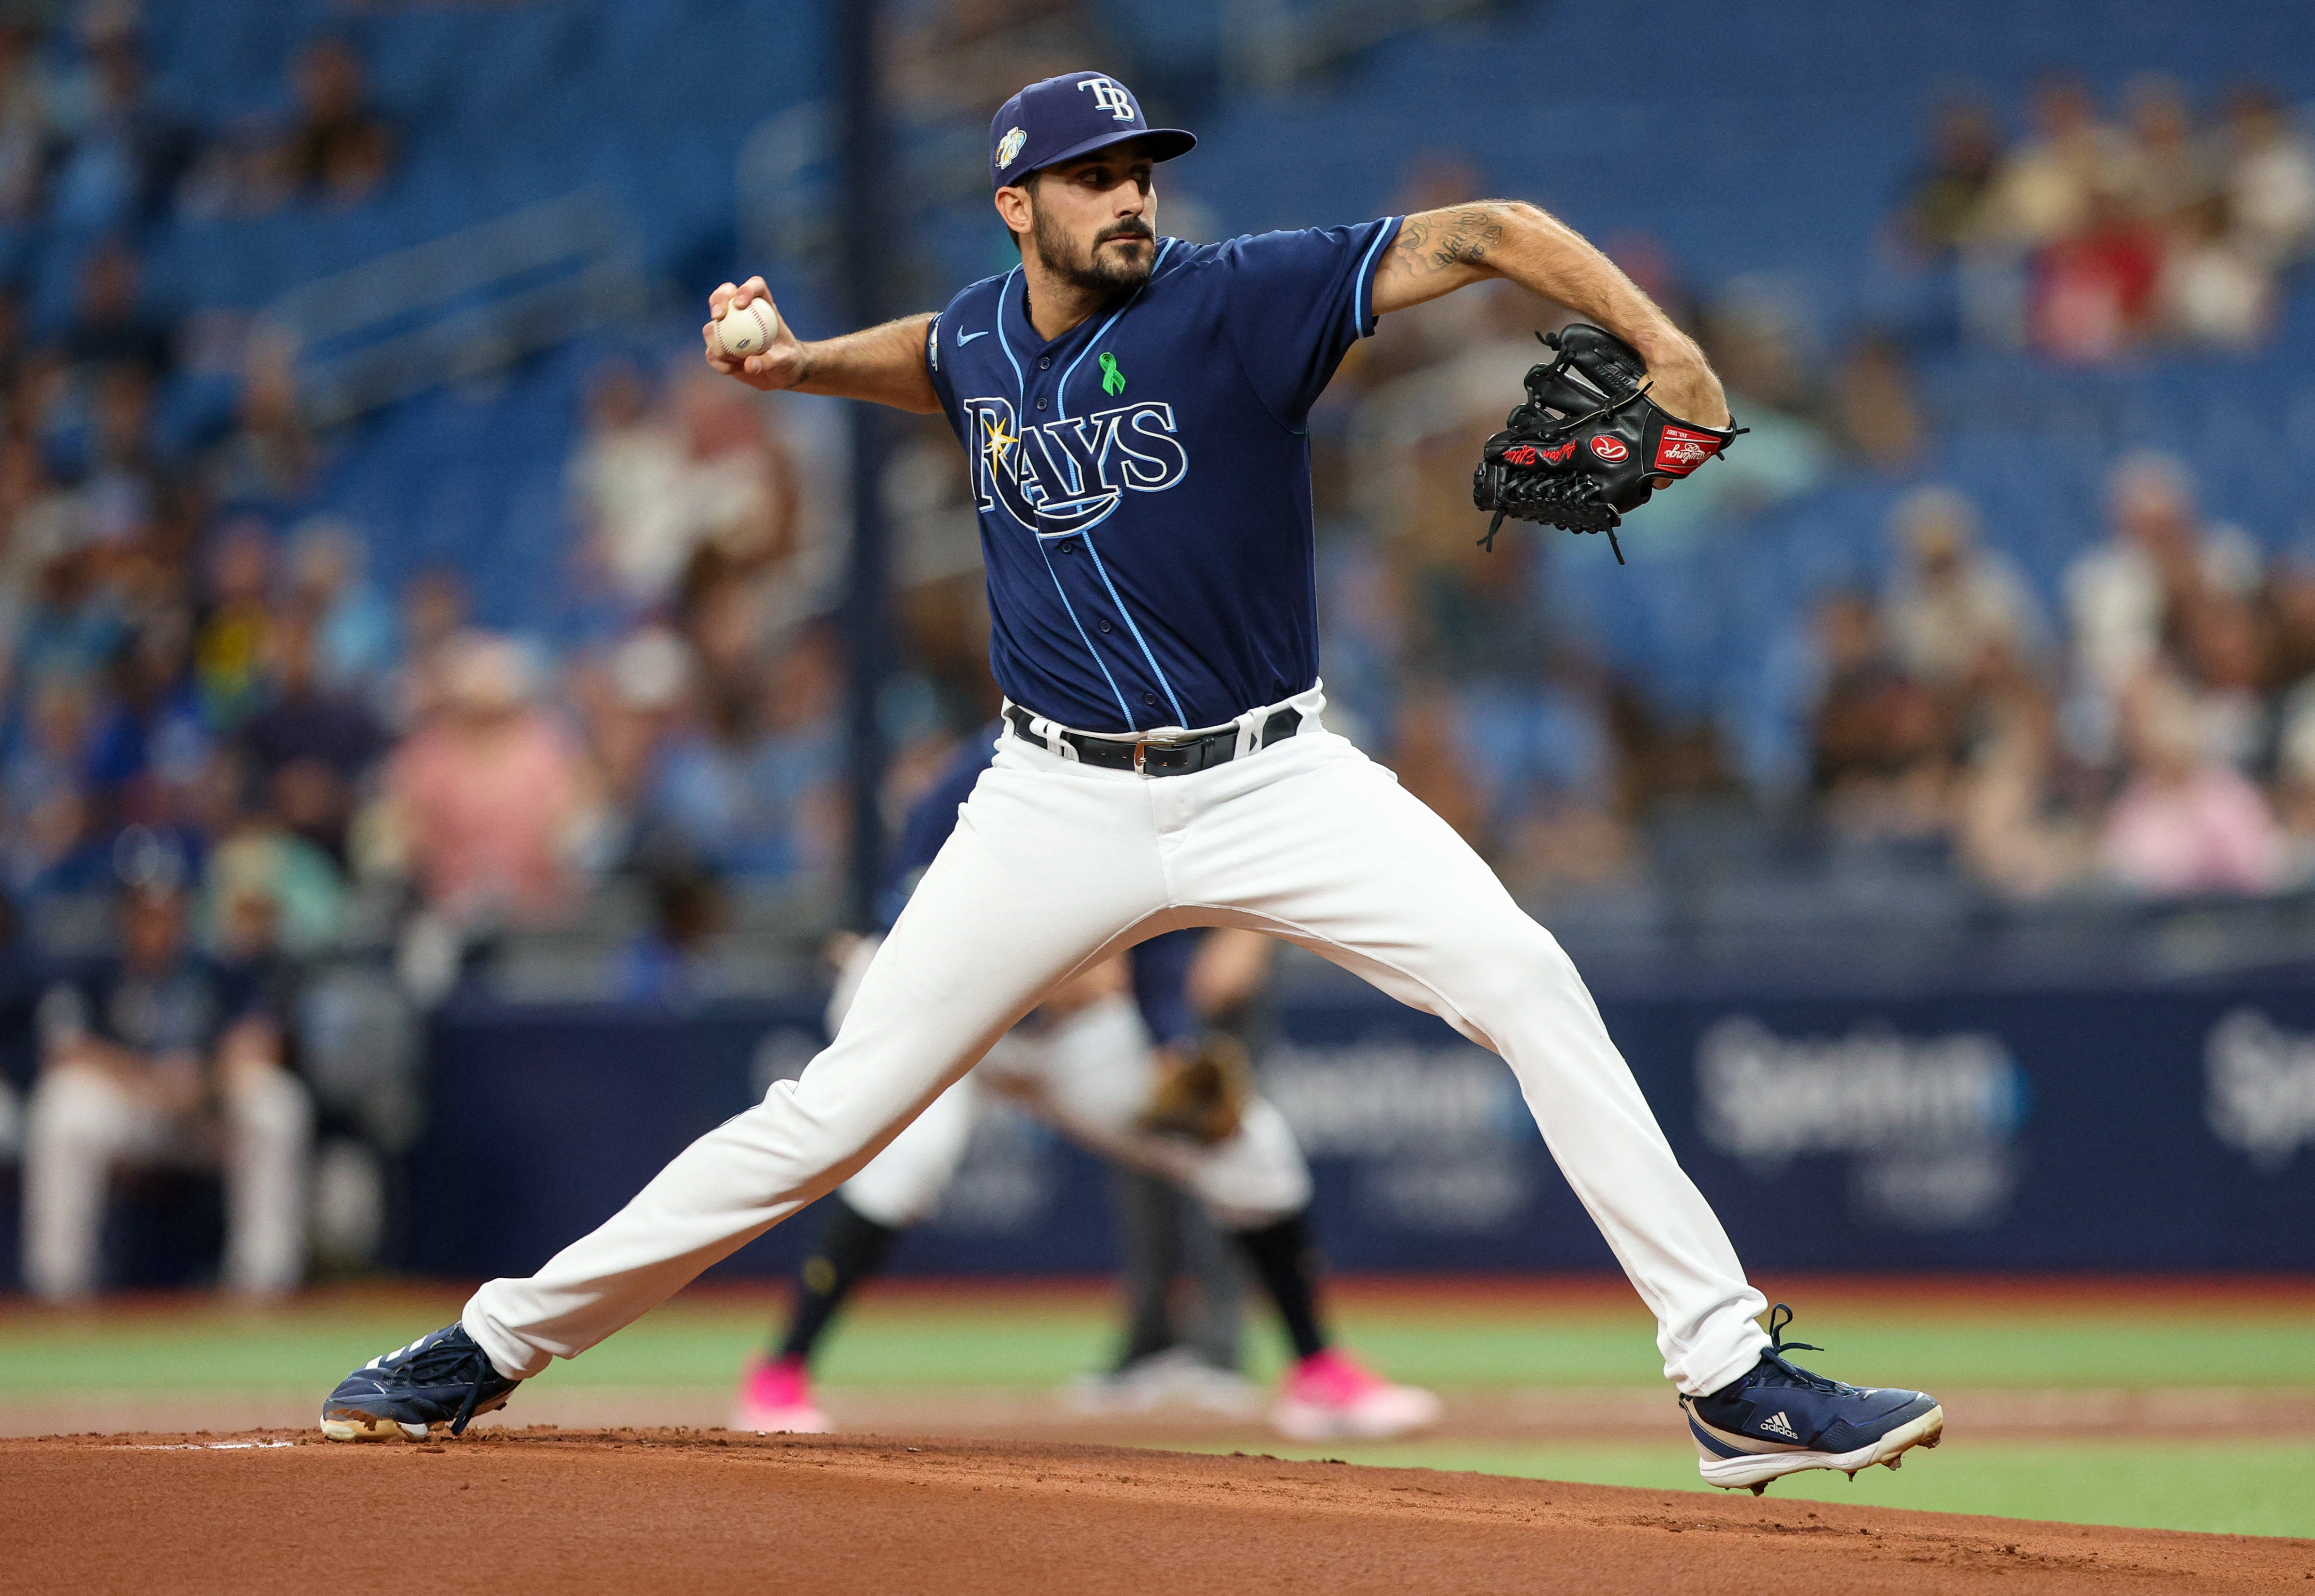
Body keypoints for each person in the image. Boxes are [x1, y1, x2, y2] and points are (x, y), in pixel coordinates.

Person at [323, 70, 1943, 1496]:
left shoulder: (1239, 300)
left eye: (1140, 170)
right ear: (1015, 202)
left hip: (1276, 776)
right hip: (1051, 803)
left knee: (1524, 978)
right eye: (1094, 176)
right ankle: (487, 1347)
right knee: (832, 1116)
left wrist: (1660, 346)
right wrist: (791, 366)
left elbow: (1489, 228)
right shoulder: (974, 329)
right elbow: (935, 362)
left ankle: (1727, 1377)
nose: (1129, 196)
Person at [732, 730, 1438, 1442]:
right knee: (906, 1167)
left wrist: (1171, 1044)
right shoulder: (988, 765)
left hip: (1070, 1036)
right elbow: (912, 911)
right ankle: (780, 1375)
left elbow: (1163, 936)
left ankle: (1317, 1372)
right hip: (939, 1012)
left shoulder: (1153, 775)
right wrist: (1039, 970)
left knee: (1254, 1150)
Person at [21, 879, 312, 1299]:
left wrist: (207, 1079)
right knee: (63, 1108)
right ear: (124, 916)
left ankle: (265, 1285)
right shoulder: (94, 971)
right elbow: (65, 1049)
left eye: (167, 911)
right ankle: (59, 1290)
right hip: (128, 1109)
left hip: (205, 1113)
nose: (156, 924)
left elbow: (260, 1038)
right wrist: (148, 1078)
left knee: (276, 1105)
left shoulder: (217, 969)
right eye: (144, 912)